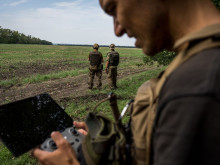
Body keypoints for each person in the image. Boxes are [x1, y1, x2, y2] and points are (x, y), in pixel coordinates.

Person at [33, 0, 220, 164]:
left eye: (114, 8)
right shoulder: (197, 65)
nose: (118, 29)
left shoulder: (198, 85)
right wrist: (114, 143)